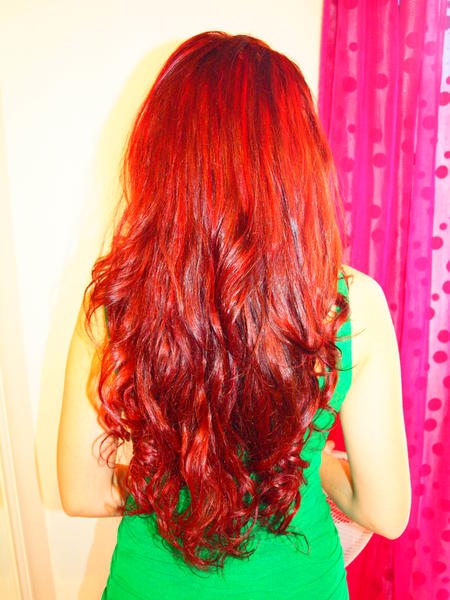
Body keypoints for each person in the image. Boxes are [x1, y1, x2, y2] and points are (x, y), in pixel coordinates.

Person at [57, 31, 411, 599]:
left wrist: (177, 484)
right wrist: (316, 465)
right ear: (298, 164)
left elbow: (82, 492)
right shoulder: (353, 304)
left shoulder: (116, 301)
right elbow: (385, 513)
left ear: (161, 159)